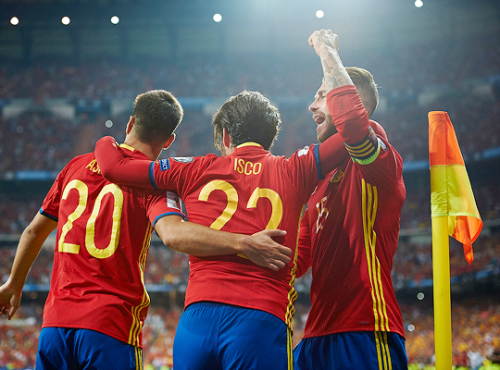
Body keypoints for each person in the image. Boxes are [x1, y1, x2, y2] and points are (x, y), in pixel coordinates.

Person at [0, 89, 291, 370]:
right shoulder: (154, 184)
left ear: (130, 123)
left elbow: (33, 232)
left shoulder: (74, 167)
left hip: (55, 325)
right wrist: (243, 243)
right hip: (110, 325)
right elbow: (173, 233)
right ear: (169, 140)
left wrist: (14, 284)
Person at [93, 83, 356, 367]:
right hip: (261, 319)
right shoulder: (295, 169)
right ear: (270, 137)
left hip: (196, 322)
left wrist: (105, 141)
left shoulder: (194, 168)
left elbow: (113, 168)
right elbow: (356, 129)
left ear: (226, 135)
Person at [293, 30, 408, 370]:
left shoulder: (381, 162)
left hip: (367, 330)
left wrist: (327, 51)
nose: (311, 105)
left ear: (348, 98)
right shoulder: (318, 185)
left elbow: (355, 127)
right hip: (315, 337)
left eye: (321, 95)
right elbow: (296, 259)